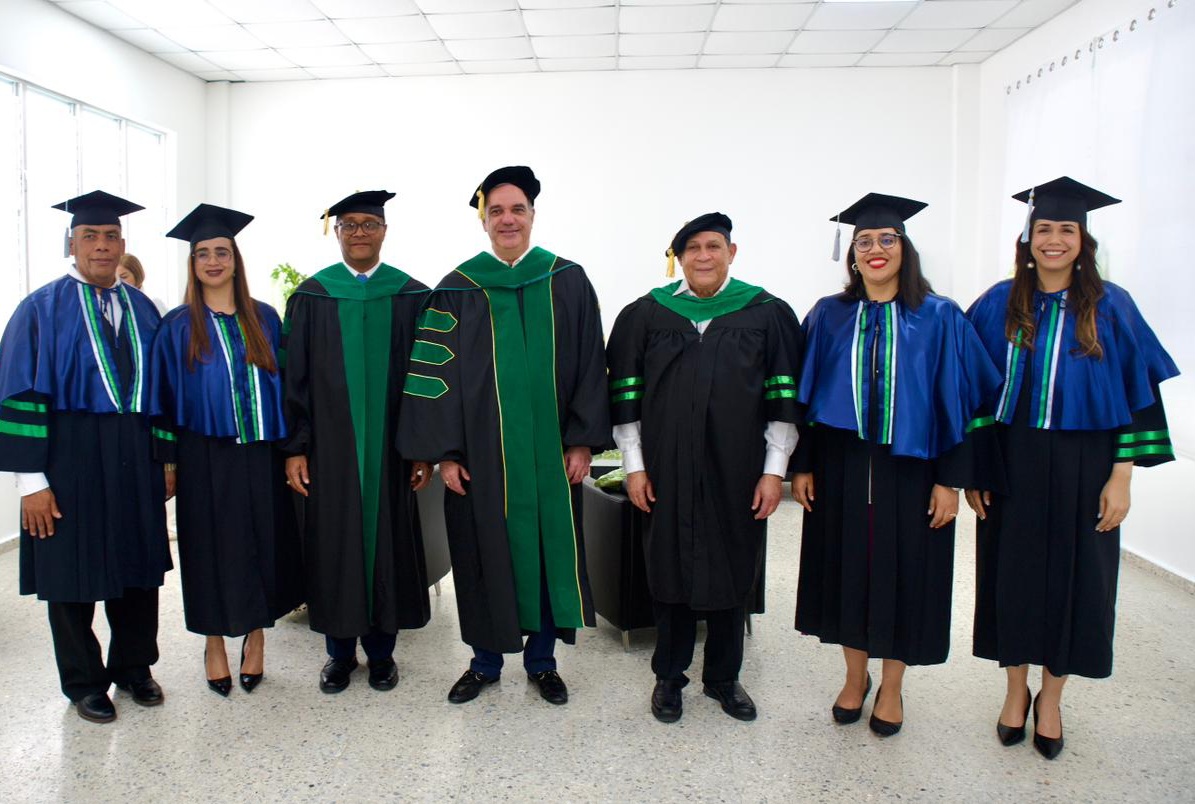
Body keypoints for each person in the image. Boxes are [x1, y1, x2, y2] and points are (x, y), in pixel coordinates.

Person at [965, 177, 1179, 759]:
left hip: (1089, 464)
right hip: (1014, 460)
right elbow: (973, 393)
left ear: (1083, 240)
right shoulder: (996, 303)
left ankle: (1052, 698)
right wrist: (977, 470)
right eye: (1044, 229)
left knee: (1077, 581)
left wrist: (1123, 475)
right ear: (1027, 239)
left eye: (1066, 229)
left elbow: (1139, 397)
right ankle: (1014, 691)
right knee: (1011, 577)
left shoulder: (1112, 306)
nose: (1054, 240)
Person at [790, 194, 1003, 737]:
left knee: (906, 575)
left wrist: (950, 480)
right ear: (852, 256)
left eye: (888, 240)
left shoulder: (939, 317)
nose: (876, 249)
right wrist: (804, 466)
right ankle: (855, 676)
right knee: (847, 570)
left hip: (912, 470)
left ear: (905, 250)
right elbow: (808, 398)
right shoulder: (829, 315)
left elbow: (962, 402)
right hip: (841, 466)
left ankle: (892, 684)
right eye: (865, 241)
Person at [398, 166, 610, 706]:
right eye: (497, 211)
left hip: (549, 457)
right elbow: (432, 375)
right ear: (484, 221)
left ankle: (543, 661)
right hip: (481, 461)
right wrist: (444, 453)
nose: (507, 219)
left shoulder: (566, 279)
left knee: (545, 552)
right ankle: (484, 662)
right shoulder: (456, 288)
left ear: (533, 216)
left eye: (517, 209)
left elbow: (590, 361)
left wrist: (582, 440)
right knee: (480, 555)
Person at [606, 212, 803, 723]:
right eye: (692, 248)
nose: (703, 257)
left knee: (732, 566)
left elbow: (784, 397)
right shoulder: (646, 315)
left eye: (713, 246)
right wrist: (634, 466)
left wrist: (772, 470)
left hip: (737, 467)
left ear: (731, 253)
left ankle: (723, 677)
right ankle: (668, 678)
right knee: (668, 569)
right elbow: (625, 396)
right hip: (665, 468)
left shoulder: (766, 313)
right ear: (679, 257)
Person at [0, 190, 173, 723]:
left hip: (134, 453)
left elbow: (163, 392)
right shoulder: (40, 309)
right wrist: (31, 482)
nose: (102, 246)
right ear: (71, 244)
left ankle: (135, 668)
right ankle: (83, 683)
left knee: (138, 567)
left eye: (111, 236)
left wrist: (166, 459)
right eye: (90, 237)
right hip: (68, 455)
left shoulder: (144, 308)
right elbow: (19, 394)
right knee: (71, 575)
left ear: (123, 243)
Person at [280, 190, 432, 694]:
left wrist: (421, 447)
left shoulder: (412, 295)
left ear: (385, 231)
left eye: (369, 223)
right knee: (335, 545)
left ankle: (383, 654)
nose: (360, 232)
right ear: (337, 233)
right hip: (331, 453)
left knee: (389, 543)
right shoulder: (311, 297)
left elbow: (429, 379)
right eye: (350, 225)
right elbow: (293, 381)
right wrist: (296, 448)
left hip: (392, 451)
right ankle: (339, 655)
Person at [150, 204, 303, 696]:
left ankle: (255, 639)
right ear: (192, 265)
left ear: (236, 259)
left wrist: (292, 449)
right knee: (206, 548)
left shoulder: (265, 318)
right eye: (203, 254)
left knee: (262, 543)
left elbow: (287, 389)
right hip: (203, 454)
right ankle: (214, 641)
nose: (213, 261)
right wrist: (168, 463)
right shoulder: (176, 326)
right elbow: (163, 400)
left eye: (222, 252)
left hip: (260, 452)